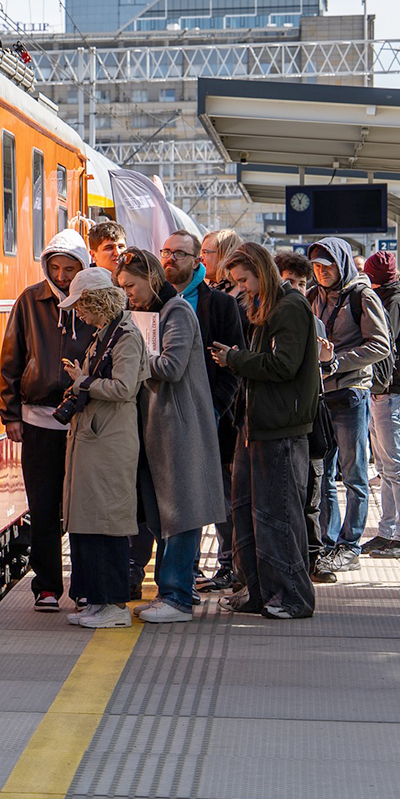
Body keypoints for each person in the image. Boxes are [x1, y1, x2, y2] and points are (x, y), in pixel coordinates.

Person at [115, 248, 227, 623]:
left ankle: (177, 596)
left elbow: (172, 366)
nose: (128, 293)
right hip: (158, 428)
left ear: (149, 277)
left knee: (180, 513)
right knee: (163, 515)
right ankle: (170, 591)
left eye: (131, 285)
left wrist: (130, 361)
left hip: (178, 428)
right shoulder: (150, 312)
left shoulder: (176, 310)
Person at [212, 243, 319, 618]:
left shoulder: (289, 307)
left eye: (244, 280)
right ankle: (261, 592)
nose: (242, 288)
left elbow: (283, 366)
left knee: (277, 516)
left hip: (279, 428)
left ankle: (291, 597)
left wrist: (235, 359)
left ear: (260, 271)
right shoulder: (272, 304)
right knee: (250, 513)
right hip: (259, 426)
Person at [0, 229, 97, 610]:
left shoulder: (91, 301)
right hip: (38, 418)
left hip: (84, 420)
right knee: (42, 505)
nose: (61, 276)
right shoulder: (29, 301)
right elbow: (11, 359)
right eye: (54, 268)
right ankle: (47, 586)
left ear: (82, 267)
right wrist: (10, 413)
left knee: (84, 506)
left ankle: (85, 583)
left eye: (69, 269)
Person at [56, 267, 146, 629]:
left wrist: (85, 381)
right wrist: (84, 378)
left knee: (106, 522)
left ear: (98, 301)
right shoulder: (107, 333)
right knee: (89, 522)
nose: (80, 313)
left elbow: (125, 388)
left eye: (83, 306)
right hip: (97, 438)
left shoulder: (125, 336)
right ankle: (96, 600)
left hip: (108, 440)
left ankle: (113, 605)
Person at [160, 230, 244, 591]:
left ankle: (227, 564)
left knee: (216, 495)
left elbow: (234, 362)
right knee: (169, 495)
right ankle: (185, 569)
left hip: (208, 418)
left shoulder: (220, 304)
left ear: (198, 261)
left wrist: (214, 409)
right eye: (165, 251)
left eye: (179, 253)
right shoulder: (152, 302)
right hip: (161, 420)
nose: (170, 258)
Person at [306, 237, 390, 573]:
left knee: (354, 475)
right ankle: (327, 542)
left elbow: (380, 345)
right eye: (316, 267)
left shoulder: (362, 296)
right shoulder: (313, 296)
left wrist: (335, 362)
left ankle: (350, 544)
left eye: (327, 266)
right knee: (321, 473)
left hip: (351, 392)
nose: (321, 272)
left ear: (341, 264)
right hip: (321, 394)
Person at [276, 249, 332, 582]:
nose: (295, 287)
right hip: (285, 419)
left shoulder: (315, 320)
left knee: (314, 490)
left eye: (300, 282)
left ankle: (314, 555)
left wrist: (327, 360)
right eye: (289, 281)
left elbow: (324, 370)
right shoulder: (271, 316)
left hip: (312, 417)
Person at [361, 251, 400, 559]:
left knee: (396, 466)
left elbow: (385, 346)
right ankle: (387, 531)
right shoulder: (396, 297)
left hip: (392, 391)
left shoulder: (395, 302)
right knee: (387, 467)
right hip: (387, 391)